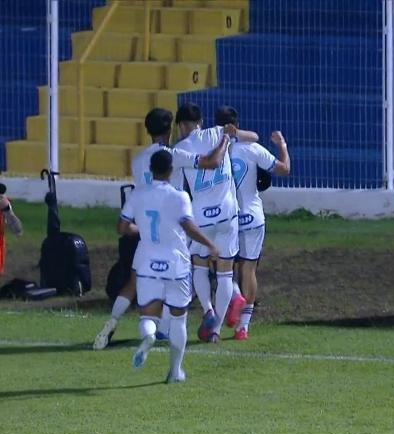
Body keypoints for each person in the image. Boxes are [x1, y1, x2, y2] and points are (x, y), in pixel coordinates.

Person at [93, 108, 230, 350]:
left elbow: (126, 219)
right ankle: (167, 330)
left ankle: (113, 320)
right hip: (172, 231)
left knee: (134, 282)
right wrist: (224, 141)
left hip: (147, 230)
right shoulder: (172, 156)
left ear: (147, 131)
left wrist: (138, 228)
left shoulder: (137, 161)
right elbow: (211, 162)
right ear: (169, 130)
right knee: (177, 283)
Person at [118, 150, 219, 383]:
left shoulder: (138, 194)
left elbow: (122, 228)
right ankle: (175, 371)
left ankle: (149, 337)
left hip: (148, 264)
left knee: (148, 316)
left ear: (150, 170)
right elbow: (188, 225)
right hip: (176, 264)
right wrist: (210, 244)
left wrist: (140, 229)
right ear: (171, 171)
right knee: (178, 318)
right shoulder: (179, 196)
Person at [175, 102, 258, 342]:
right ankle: (216, 330)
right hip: (227, 215)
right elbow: (253, 137)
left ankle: (208, 311)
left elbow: (180, 188)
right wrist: (234, 132)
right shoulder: (217, 132)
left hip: (201, 217)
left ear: (181, 126)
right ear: (199, 122)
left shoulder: (179, 150)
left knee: (199, 265)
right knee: (224, 274)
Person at [215, 105, 290, 340]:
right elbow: (284, 169)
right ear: (238, 123)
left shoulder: (214, 148)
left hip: (226, 215)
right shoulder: (252, 148)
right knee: (249, 269)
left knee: (220, 266)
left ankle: (234, 295)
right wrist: (282, 145)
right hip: (252, 215)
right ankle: (243, 327)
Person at [0, 183, 23, 275]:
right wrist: (18, 230)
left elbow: (10, 217)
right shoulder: (3, 201)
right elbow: (11, 217)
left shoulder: (3, 201)